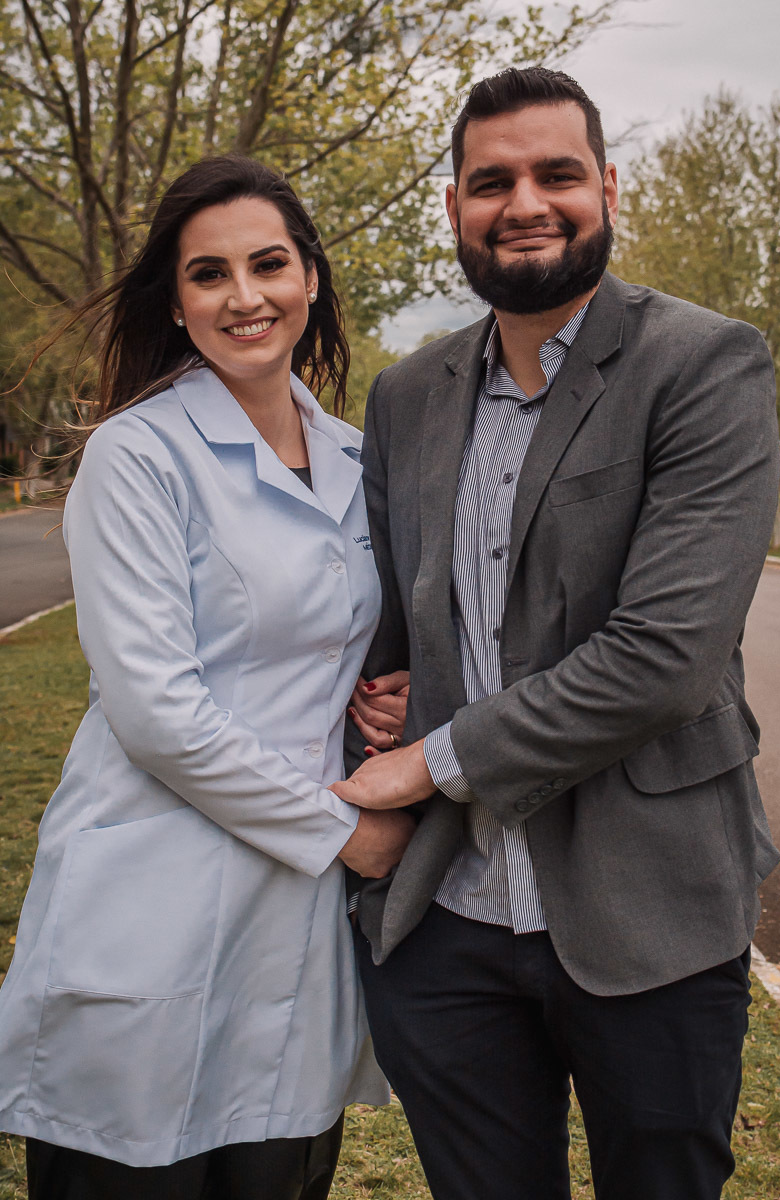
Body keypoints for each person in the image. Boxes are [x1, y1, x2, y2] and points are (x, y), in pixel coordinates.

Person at [337, 67, 780, 1200]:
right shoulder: (404, 396)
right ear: (455, 206)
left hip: (650, 907)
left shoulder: (702, 363)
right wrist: (382, 704)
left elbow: (663, 659)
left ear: (607, 189)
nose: (524, 203)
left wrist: (426, 759)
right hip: (447, 915)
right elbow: (389, 626)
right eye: (491, 182)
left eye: (556, 174)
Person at [0, 154, 414, 1199]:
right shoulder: (136, 456)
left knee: (275, 1164)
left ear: (309, 276)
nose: (244, 297)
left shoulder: (359, 457)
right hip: (156, 902)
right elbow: (155, 712)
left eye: (267, 264)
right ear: (176, 302)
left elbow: (348, 639)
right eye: (208, 274)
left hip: (291, 934)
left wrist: (385, 695)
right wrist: (348, 833)